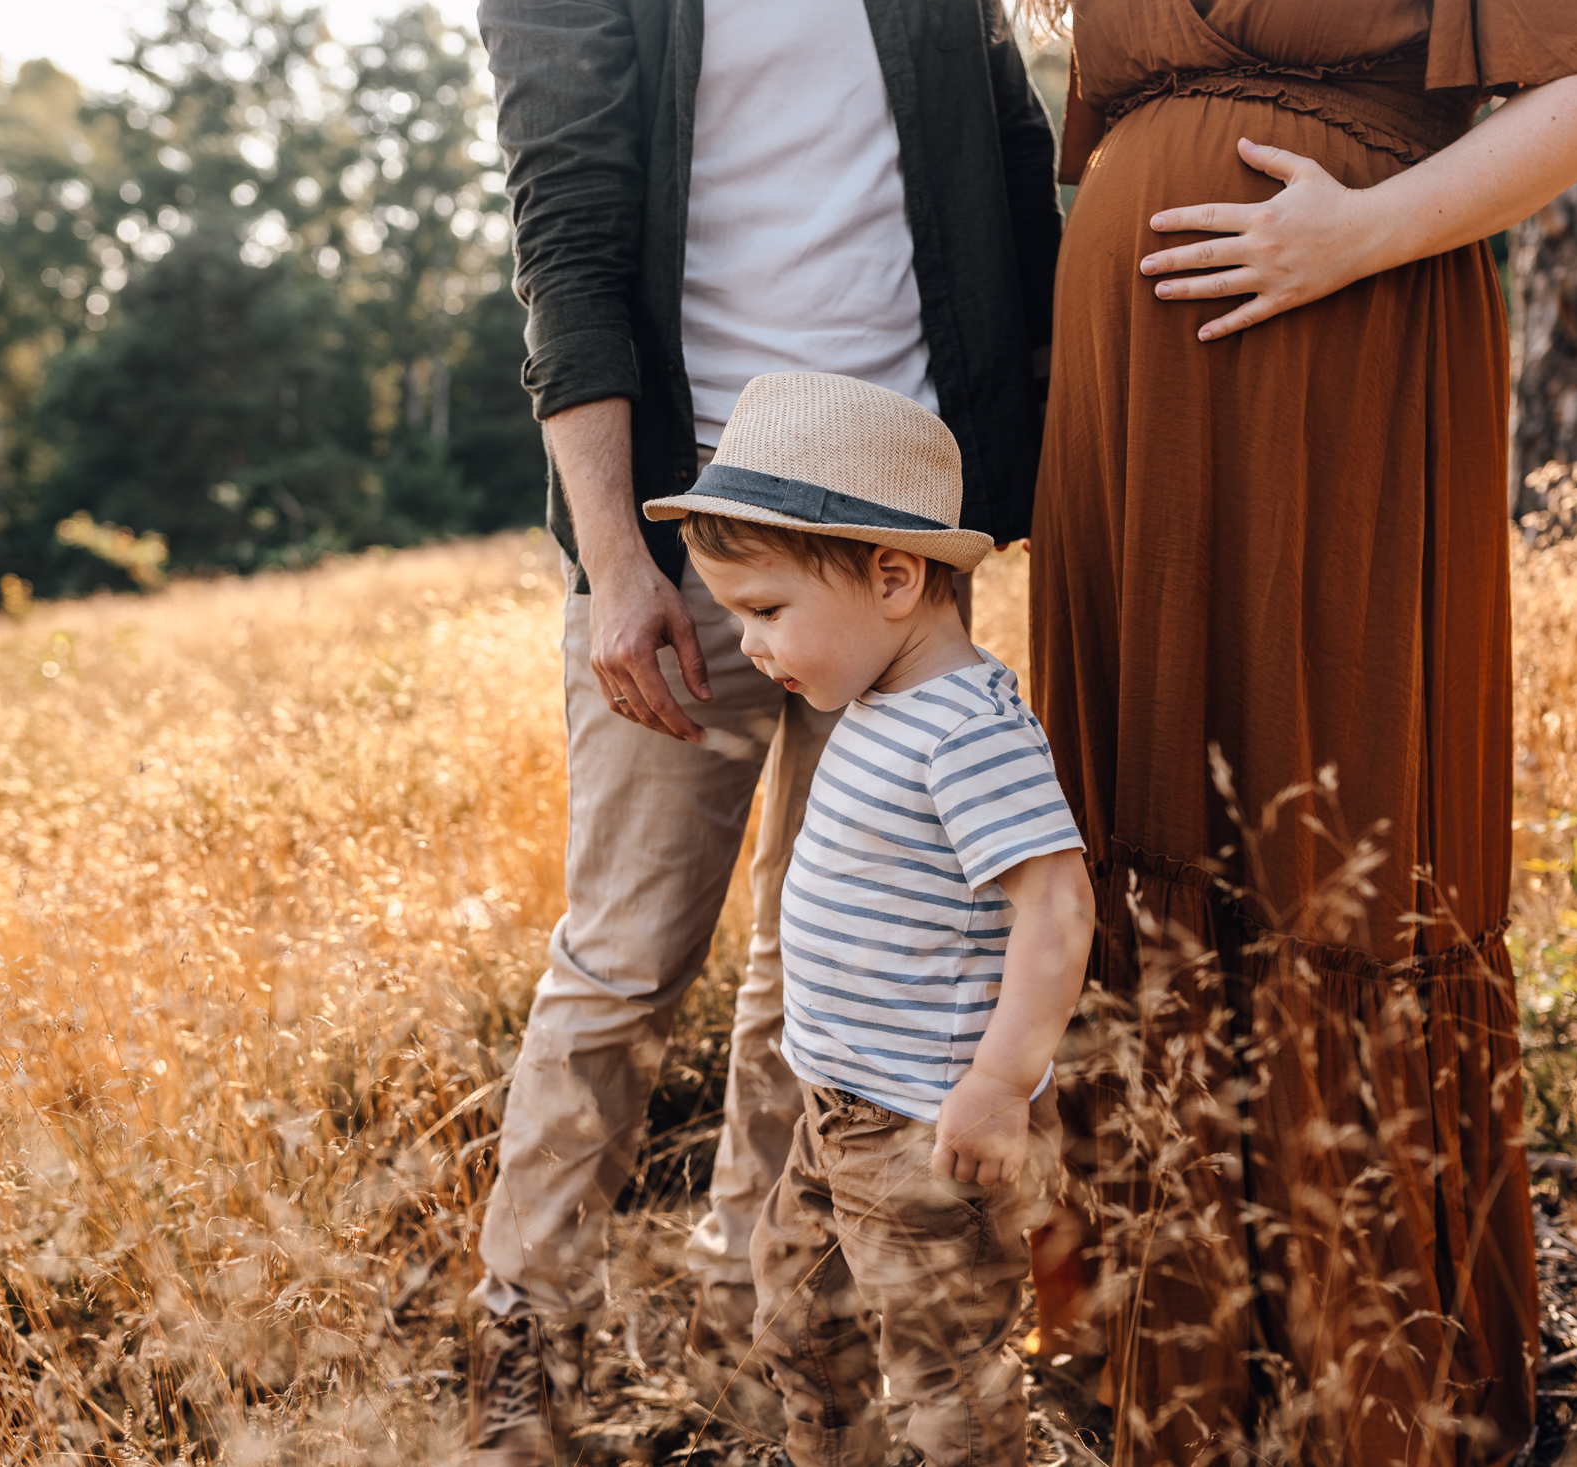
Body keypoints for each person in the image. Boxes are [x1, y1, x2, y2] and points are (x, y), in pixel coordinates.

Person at [1024, 1, 1577, 1464]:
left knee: (1336, 831)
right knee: (1135, 828)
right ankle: (1171, 1359)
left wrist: (1359, 234)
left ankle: (1360, 1376)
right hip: (1132, 392)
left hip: (1349, 345)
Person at [466, 0, 1061, 1460]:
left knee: (823, 953)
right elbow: (569, 239)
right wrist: (621, 564)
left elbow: (1010, 160)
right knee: (624, 952)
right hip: (692, 522)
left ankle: (750, 1320)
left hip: (894, 532)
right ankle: (520, 1354)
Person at [644, 370, 1094, 1467]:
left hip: (926, 1132)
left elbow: (1057, 902)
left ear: (895, 578)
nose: (749, 645)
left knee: (946, 1378)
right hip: (833, 1112)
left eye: (765, 611)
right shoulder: (882, 700)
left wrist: (997, 1086)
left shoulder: (967, 728)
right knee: (801, 1331)